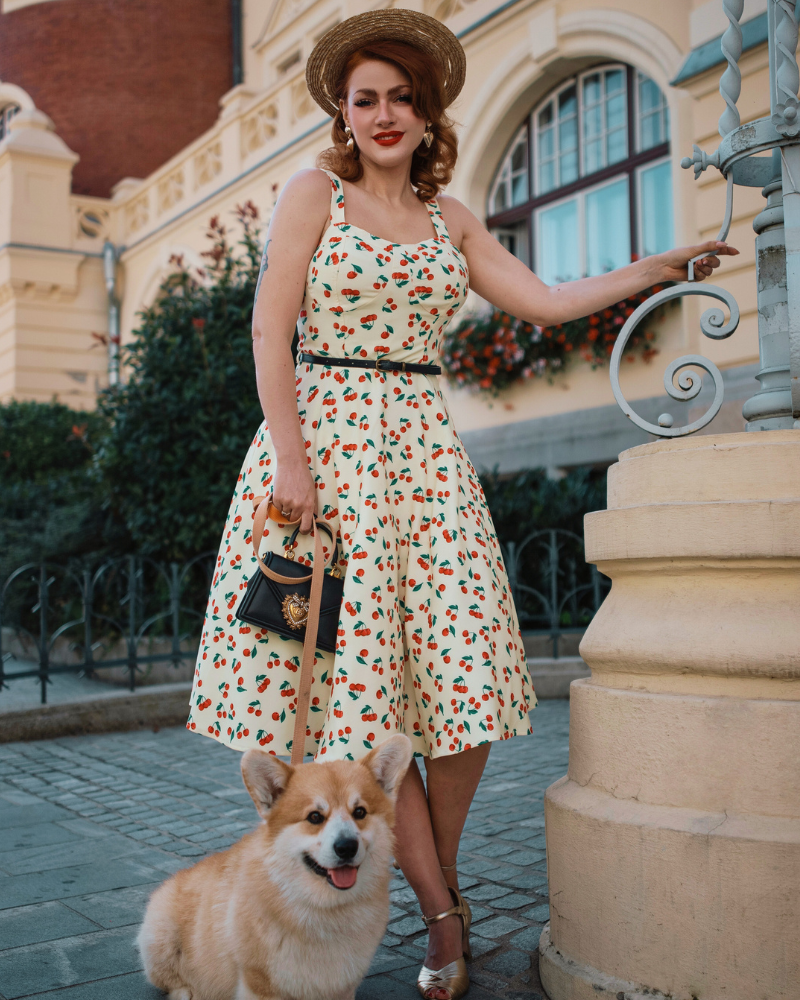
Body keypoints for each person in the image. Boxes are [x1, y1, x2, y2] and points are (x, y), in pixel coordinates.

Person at [187, 10, 737, 998]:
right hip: (327, 455)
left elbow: (545, 300)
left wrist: (658, 268)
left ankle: (427, 884)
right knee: (367, 703)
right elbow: (270, 332)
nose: (384, 114)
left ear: (427, 110)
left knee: (464, 687)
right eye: (365, 99)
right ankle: (443, 918)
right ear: (343, 113)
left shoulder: (453, 218)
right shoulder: (314, 193)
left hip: (427, 460)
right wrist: (291, 463)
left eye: (401, 97)